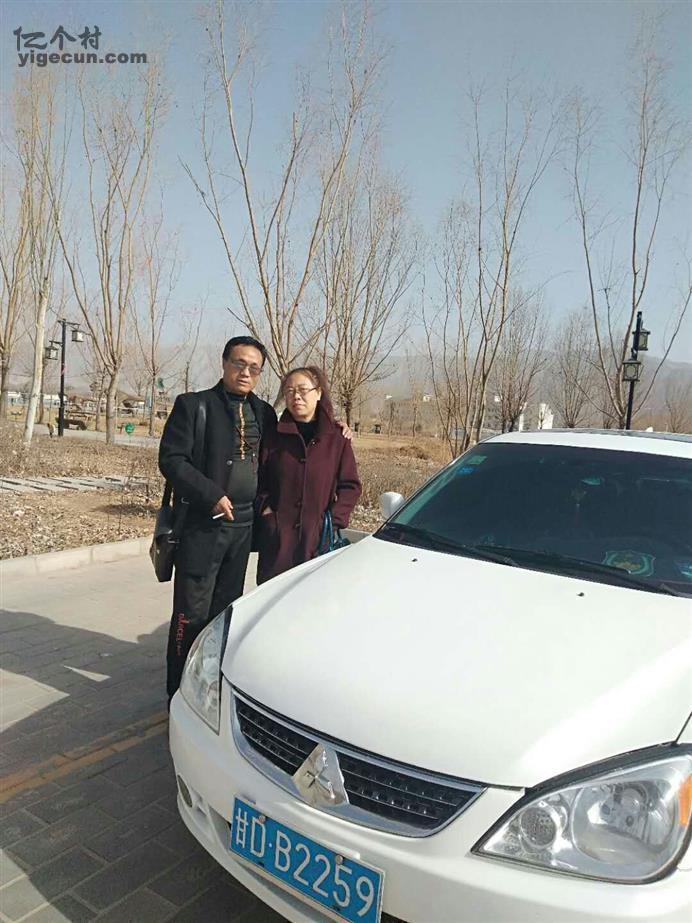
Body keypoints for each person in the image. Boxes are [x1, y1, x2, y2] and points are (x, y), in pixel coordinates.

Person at [159, 335, 277, 701]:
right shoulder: (194, 406)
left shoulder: (264, 413)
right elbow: (172, 460)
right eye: (239, 364)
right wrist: (210, 495)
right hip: (202, 528)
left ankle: (208, 692)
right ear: (224, 363)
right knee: (190, 614)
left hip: (242, 530)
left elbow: (293, 441)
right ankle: (177, 696)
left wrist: (336, 427)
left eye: (254, 368)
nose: (245, 372)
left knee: (224, 614)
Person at [255, 366, 361, 584]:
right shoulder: (273, 436)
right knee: (273, 596)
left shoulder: (336, 438)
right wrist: (266, 511)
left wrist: (332, 521)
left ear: (318, 393)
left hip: (317, 539)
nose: (296, 396)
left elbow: (350, 486)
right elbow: (258, 479)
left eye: (303, 390)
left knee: (313, 595)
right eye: (289, 391)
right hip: (278, 540)